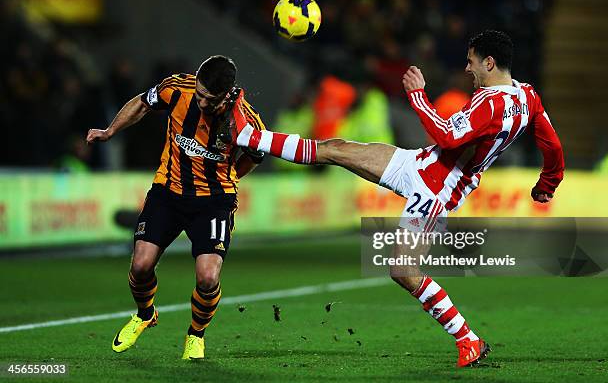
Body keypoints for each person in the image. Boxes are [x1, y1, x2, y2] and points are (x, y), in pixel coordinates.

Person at [219, 30, 565, 367]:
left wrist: (417, 95)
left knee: (403, 270)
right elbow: (551, 142)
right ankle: (248, 135)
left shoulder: (489, 104)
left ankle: (467, 339)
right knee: (337, 149)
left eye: (471, 62)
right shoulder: (527, 96)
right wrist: (548, 181)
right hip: (418, 164)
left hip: (434, 192)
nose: (467, 69)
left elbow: (447, 137)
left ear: (489, 62)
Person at [86, 55, 266, 360]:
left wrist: (232, 175)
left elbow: (256, 155)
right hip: (168, 192)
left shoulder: (246, 119)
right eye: (198, 92)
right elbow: (142, 103)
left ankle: (196, 335)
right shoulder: (176, 88)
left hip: (214, 202)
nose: (200, 101)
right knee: (140, 266)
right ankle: (145, 314)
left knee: (208, 278)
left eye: (208, 99)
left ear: (226, 95)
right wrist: (110, 131)